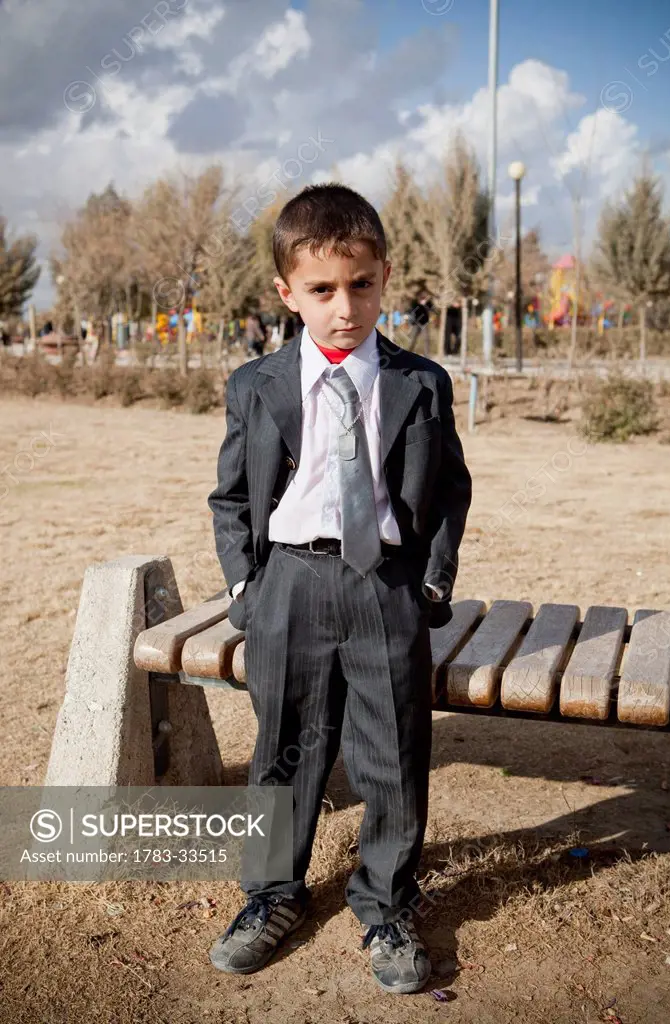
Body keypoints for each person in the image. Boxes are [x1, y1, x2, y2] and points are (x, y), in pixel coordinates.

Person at [207, 183, 472, 995]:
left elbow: (450, 490)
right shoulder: (257, 385)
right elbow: (232, 499)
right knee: (286, 749)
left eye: (360, 284)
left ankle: (387, 905)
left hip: (384, 584)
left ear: (385, 277)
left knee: (392, 751)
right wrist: (249, 587)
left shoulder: (420, 384)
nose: (343, 307)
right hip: (289, 580)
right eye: (321, 290)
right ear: (287, 294)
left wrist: (429, 584)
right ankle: (271, 896)